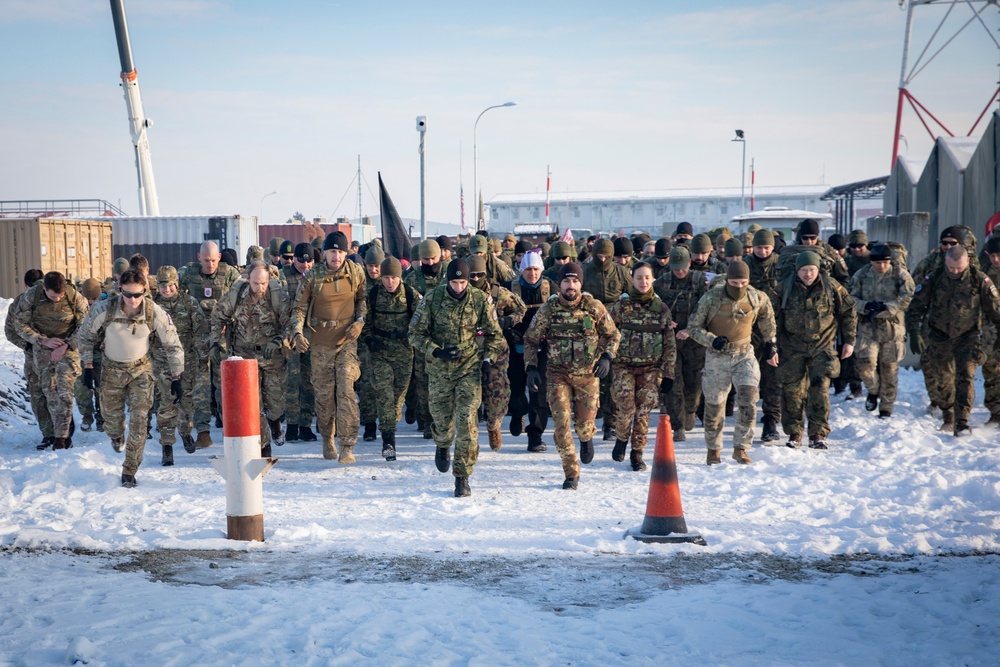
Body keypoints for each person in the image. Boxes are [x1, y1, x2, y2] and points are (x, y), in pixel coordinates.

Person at [77, 269, 183, 486]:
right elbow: (85, 336)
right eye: (128, 295)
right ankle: (117, 435)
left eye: (137, 295)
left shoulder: (155, 313)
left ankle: (129, 470)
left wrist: (177, 376)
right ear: (119, 290)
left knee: (139, 420)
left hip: (140, 370)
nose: (133, 300)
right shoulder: (104, 309)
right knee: (112, 421)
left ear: (145, 290)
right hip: (111, 369)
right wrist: (87, 366)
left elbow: (173, 345)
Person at [408, 259, 504, 497]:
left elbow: (495, 335)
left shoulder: (480, 300)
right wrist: (435, 350)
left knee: (467, 420)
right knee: (441, 419)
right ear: (446, 280)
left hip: (468, 368)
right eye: (454, 282)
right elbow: (414, 334)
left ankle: (462, 475)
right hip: (440, 368)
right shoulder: (432, 299)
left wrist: (487, 360)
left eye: (463, 282)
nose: (458, 287)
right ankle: (442, 443)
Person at [523, 262, 620, 490]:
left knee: (585, 425)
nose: (571, 285)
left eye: (575, 281)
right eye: (566, 281)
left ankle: (586, 439)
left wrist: (606, 357)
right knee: (561, 425)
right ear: (560, 284)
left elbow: (613, 334)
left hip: (588, 375)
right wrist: (531, 368)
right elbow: (531, 339)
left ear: (581, 283)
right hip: (558, 376)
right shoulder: (548, 309)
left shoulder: (593, 307)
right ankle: (571, 473)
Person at [688, 261, 777, 464]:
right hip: (717, 356)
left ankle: (741, 448)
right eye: (734, 282)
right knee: (715, 405)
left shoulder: (756, 297)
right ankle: (713, 450)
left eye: (743, 282)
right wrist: (712, 340)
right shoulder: (712, 298)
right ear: (728, 280)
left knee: (749, 397)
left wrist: (771, 342)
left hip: (744, 354)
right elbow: (693, 327)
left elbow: (767, 318)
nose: (738, 287)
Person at [906, 245, 1000, 435]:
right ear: (946, 263)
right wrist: (914, 332)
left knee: (965, 377)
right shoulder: (935, 278)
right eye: (951, 268)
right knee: (944, 379)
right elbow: (915, 307)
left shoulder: (979, 280)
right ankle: (948, 415)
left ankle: (962, 422)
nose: (955, 272)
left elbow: (995, 310)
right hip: (940, 335)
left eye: (959, 268)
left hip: (969, 336)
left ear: (967, 262)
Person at [290, 232, 367, 463]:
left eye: (341, 252)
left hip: (346, 343)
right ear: (324, 252)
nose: (336, 256)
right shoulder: (312, 277)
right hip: (320, 344)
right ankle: (327, 437)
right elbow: (298, 309)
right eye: (332, 251)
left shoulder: (355, 272)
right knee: (324, 397)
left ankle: (347, 445)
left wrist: (360, 322)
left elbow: (363, 300)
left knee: (346, 389)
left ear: (346, 253)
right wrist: (296, 332)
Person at [775, 251, 857, 449]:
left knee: (819, 390)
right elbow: (773, 318)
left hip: (822, 346)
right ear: (797, 270)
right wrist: (771, 346)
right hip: (792, 347)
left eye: (811, 270)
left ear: (818, 269)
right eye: (804, 270)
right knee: (792, 391)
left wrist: (849, 341)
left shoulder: (832, 287)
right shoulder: (784, 288)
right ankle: (794, 433)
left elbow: (849, 312)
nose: (808, 274)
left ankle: (818, 434)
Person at [213, 263, 291, 457]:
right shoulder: (236, 295)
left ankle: (275, 423)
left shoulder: (277, 296)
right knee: (253, 405)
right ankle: (264, 447)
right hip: (244, 356)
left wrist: (279, 341)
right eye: (256, 283)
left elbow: (291, 324)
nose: (260, 288)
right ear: (248, 279)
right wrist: (215, 341)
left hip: (272, 357)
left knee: (275, 404)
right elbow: (218, 316)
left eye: (264, 283)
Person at [608, 262, 675, 471]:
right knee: (626, 405)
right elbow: (608, 334)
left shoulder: (660, 308)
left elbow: (669, 343)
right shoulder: (621, 307)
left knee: (644, 410)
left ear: (653, 279)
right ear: (632, 279)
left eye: (647, 277)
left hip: (650, 368)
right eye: (639, 278)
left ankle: (637, 452)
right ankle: (621, 438)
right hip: (623, 366)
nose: (643, 282)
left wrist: (669, 373)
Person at [12, 271, 89, 450]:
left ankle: (62, 438)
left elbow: (87, 327)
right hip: (43, 347)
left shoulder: (74, 297)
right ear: (44, 288)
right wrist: (42, 340)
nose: (58, 299)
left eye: (61, 295)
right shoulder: (32, 296)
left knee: (65, 390)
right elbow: (18, 324)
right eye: (54, 296)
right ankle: (54, 433)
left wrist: (67, 345)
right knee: (50, 392)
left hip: (68, 346)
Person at [178, 240, 242, 442]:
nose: (210, 265)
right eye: (206, 260)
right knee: (201, 386)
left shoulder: (230, 274)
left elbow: (243, 297)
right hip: (197, 339)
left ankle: (230, 427)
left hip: (222, 339)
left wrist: (231, 319)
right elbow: (172, 293)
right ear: (199, 258)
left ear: (219, 258)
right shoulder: (189, 274)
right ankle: (203, 431)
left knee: (224, 384)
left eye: (213, 260)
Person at [467, 255, 526, 452]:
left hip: (496, 349)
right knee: (469, 393)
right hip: (468, 349)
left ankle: (493, 426)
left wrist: (508, 321)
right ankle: (470, 435)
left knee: (497, 391)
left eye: (479, 275)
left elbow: (520, 308)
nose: (475, 279)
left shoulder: (497, 293)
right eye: (471, 275)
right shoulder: (459, 292)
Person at [849, 244, 915, 420]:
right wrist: (866, 306)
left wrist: (886, 307)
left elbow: (908, 296)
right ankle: (873, 390)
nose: (882, 266)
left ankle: (886, 407)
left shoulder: (899, 274)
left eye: (885, 262)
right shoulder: (862, 275)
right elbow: (851, 298)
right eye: (878, 263)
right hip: (868, 327)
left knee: (890, 370)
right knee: (865, 366)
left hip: (892, 328)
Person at [152, 266, 211, 461]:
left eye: (170, 286)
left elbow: (201, 331)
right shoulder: (152, 307)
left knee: (186, 401)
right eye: (162, 286)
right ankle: (167, 445)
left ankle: (185, 431)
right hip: (162, 362)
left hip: (187, 361)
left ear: (176, 284)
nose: (166, 290)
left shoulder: (189, 303)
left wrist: (203, 357)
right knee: (166, 403)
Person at [361, 256, 416, 460]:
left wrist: (409, 333)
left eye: (393, 277)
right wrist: (369, 340)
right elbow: (364, 322)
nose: (389, 282)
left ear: (400, 277)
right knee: (384, 394)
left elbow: (421, 320)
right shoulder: (373, 295)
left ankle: (389, 425)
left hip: (403, 352)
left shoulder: (410, 294)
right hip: (380, 352)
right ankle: (388, 440)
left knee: (397, 397)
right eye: (386, 277)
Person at [653, 246, 709, 442]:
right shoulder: (661, 283)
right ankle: (677, 426)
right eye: (676, 268)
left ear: (689, 263)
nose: (679, 271)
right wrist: (666, 321)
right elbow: (654, 307)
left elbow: (707, 309)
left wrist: (691, 329)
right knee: (673, 383)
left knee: (693, 383)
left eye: (682, 267)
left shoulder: (701, 282)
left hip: (694, 341)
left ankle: (691, 410)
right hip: (671, 341)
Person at [507, 251, 556, 452]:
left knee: (539, 392)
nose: (532, 274)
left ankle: (535, 435)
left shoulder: (551, 288)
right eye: (528, 269)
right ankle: (518, 412)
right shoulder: (508, 288)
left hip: (542, 347)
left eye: (536, 269)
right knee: (516, 387)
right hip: (516, 346)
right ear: (521, 270)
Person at [582, 237, 629, 442]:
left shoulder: (620, 272)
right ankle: (587, 421)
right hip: (589, 332)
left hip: (613, 331)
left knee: (612, 380)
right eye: (598, 256)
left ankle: (610, 424)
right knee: (589, 378)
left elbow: (633, 294)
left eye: (606, 256)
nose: (602, 259)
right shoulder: (585, 270)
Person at [4, 269, 52, 448]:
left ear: (25, 285)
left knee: (38, 394)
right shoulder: (55, 297)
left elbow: (10, 331)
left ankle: (49, 434)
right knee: (56, 391)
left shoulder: (18, 302)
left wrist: (28, 346)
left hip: (33, 357)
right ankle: (64, 430)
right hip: (57, 353)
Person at [405, 239, 447, 439]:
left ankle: (443, 422)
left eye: (433, 258)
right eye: (425, 259)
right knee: (423, 381)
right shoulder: (412, 280)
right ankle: (426, 421)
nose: (430, 263)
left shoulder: (450, 275)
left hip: (448, 338)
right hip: (423, 340)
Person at [743, 229, 782, 441]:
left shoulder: (781, 265)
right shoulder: (745, 266)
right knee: (748, 377)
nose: (763, 251)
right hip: (748, 329)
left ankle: (770, 420)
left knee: (772, 377)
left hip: (773, 329)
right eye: (759, 247)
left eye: (766, 247)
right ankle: (746, 420)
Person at [281, 243, 317, 443]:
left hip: (312, 335)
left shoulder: (317, 275)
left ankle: (305, 425)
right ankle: (292, 426)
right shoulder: (282, 276)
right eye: (301, 260)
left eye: (309, 260)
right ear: (294, 259)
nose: (305, 264)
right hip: (290, 336)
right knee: (292, 382)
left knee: (310, 382)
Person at [359, 245, 386, 441]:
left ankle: (387, 423)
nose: (374, 270)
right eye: (370, 266)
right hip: (364, 340)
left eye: (377, 266)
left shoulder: (391, 281)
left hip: (386, 340)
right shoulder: (360, 283)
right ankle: (369, 423)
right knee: (367, 383)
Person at [72, 278, 104, 433]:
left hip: (102, 354)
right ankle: (87, 415)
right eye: (88, 298)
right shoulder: (77, 309)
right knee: (81, 386)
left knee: (101, 386)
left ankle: (102, 418)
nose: (91, 302)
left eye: (94, 298)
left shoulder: (106, 308)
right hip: (83, 354)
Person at [982, 237, 1000, 424]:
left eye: (999, 255)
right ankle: (995, 411)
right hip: (991, 330)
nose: (996, 260)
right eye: (993, 255)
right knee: (991, 370)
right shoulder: (985, 274)